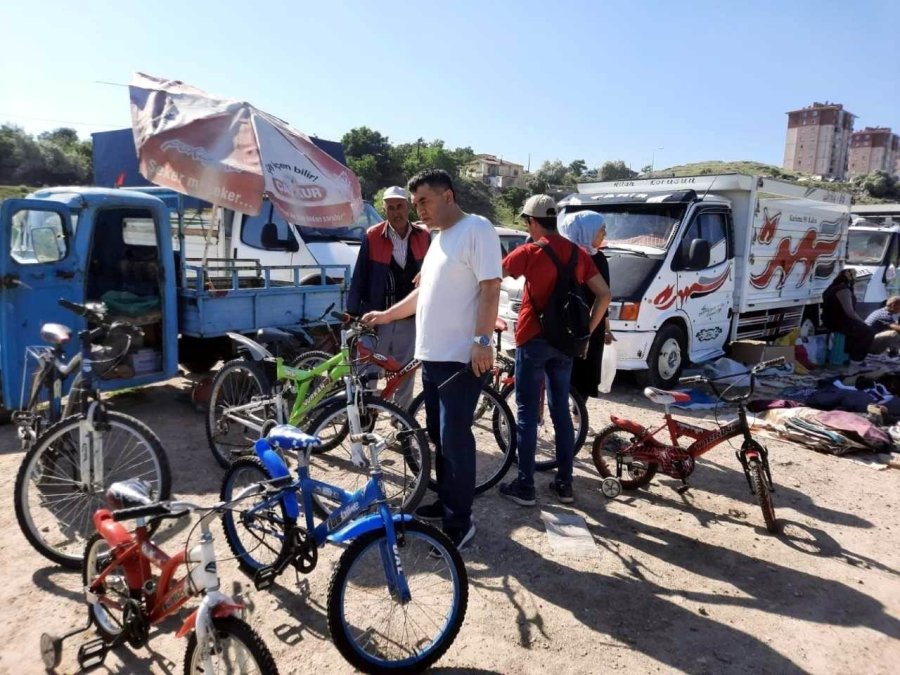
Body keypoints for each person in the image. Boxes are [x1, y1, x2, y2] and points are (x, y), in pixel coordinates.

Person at [362, 169, 502, 550]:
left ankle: (461, 521)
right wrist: (385, 315)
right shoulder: (438, 240)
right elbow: (421, 296)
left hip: (461, 358)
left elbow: (491, 287)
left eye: (424, 201)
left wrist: (482, 341)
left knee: (456, 439)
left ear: (448, 196)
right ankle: (448, 502)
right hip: (434, 357)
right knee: (441, 438)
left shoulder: (477, 229)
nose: (417, 209)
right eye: (416, 202)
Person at [499, 195, 611, 506]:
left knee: (525, 414)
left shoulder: (530, 251)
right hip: (566, 344)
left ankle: (525, 486)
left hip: (533, 339)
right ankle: (564, 484)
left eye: (526, 222)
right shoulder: (578, 253)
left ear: (533, 222)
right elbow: (604, 294)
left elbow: (496, 275)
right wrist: (587, 331)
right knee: (561, 411)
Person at [347, 186, 430, 409]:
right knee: (369, 370)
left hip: (410, 318)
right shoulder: (373, 236)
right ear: (385, 210)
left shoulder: (423, 237)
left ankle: (400, 419)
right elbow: (360, 276)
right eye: (390, 207)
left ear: (408, 207)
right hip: (378, 317)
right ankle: (366, 414)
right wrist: (353, 312)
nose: (396, 212)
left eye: (400, 206)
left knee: (405, 371)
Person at [558, 211, 614, 399]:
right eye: (601, 230)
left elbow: (604, 296)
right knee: (563, 373)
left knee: (585, 373)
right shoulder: (564, 257)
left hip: (592, 323)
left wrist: (605, 328)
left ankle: (577, 416)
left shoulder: (599, 259)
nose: (604, 234)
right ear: (586, 231)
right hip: (568, 324)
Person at [821, 269, 874, 363]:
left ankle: (846, 353)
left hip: (829, 320)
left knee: (857, 330)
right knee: (868, 331)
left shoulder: (832, 287)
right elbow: (850, 312)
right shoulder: (844, 290)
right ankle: (855, 357)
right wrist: (862, 322)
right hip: (838, 322)